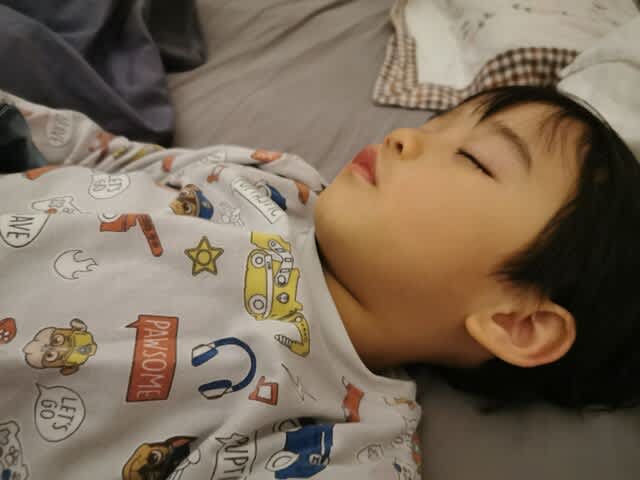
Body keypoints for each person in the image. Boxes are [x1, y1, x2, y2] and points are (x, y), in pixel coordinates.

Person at [0, 84, 638, 480]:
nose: (404, 137)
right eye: (438, 122)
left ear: (517, 323)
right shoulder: (282, 182)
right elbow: (108, 155)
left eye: (474, 159)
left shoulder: (345, 441)